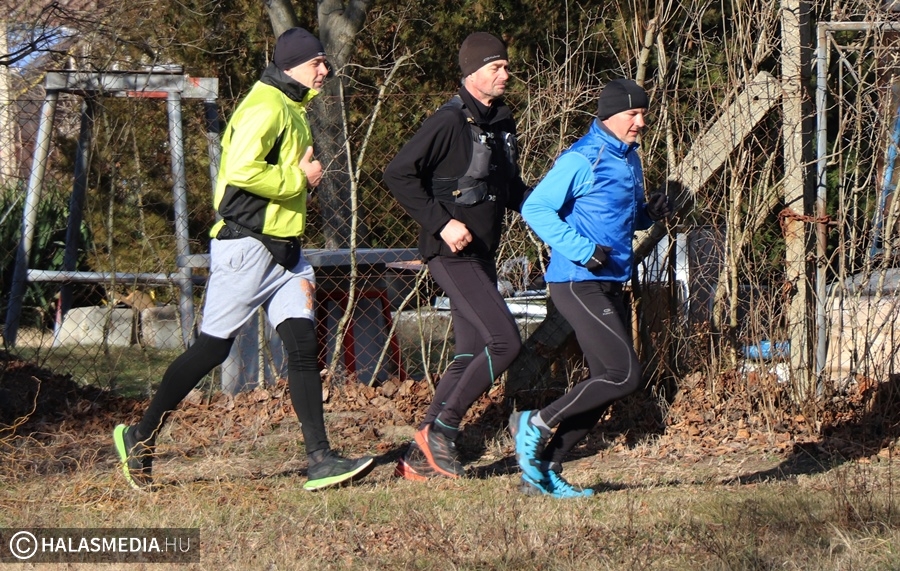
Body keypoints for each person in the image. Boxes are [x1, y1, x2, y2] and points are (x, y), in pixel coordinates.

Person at [112, 28, 374, 492]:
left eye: (324, 62)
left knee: (302, 347)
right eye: (316, 63)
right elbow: (240, 172)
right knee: (212, 350)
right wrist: (298, 178)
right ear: (291, 65)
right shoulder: (265, 106)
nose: (325, 70)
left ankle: (320, 460)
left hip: (285, 252)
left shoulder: (290, 105)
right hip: (248, 247)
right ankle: (141, 436)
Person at [514, 78, 673, 498]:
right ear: (609, 115)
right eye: (633, 114)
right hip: (576, 280)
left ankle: (544, 471)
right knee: (623, 375)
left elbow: (619, 216)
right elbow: (536, 208)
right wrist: (583, 251)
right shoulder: (584, 157)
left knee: (608, 381)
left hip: (609, 280)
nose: (641, 122)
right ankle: (535, 423)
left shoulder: (629, 158)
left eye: (644, 114)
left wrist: (648, 212)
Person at [384, 32, 529, 480]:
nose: (505, 74)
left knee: (469, 351)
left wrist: (555, 212)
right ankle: (443, 430)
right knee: (504, 341)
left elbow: (510, 190)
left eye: (506, 66)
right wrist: (442, 223)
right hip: (449, 253)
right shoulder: (447, 121)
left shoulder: (501, 123)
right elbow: (398, 173)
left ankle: (419, 456)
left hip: (483, 253)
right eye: (496, 67)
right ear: (472, 72)